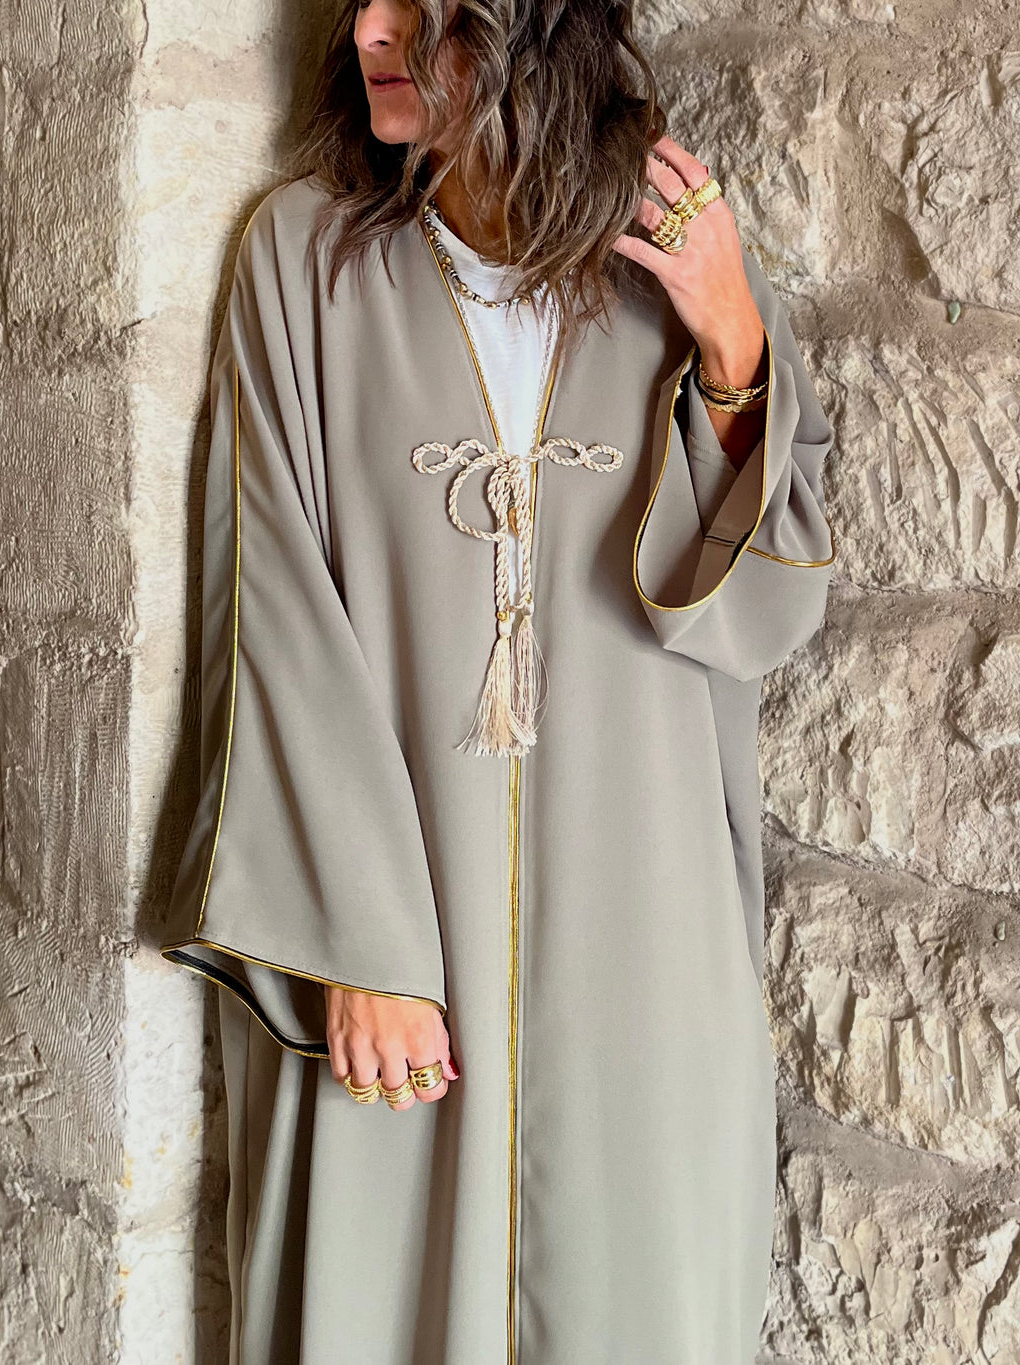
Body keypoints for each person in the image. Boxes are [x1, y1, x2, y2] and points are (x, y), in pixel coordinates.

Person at [160, 1, 837, 1360]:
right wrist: (357, 945)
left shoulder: (668, 253)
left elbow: (762, 615)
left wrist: (732, 343)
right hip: (399, 956)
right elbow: (267, 606)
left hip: (646, 955)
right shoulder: (302, 262)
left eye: (422, 5)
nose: (371, 27)